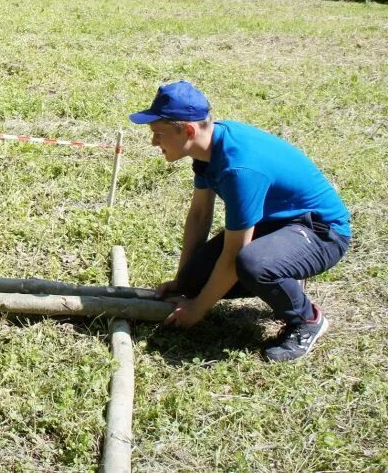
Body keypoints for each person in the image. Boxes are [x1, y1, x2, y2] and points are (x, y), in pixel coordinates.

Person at [130, 80, 352, 362]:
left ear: (188, 130)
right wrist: (183, 282)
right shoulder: (207, 149)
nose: (153, 142)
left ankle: (307, 320)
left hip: (321, 232)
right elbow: (200, 215)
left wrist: (198, 309)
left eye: (158, 134)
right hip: (277, 223)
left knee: (252, 264)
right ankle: (284, 262)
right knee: (196, 280)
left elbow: (235, 253)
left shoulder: (239, 169)